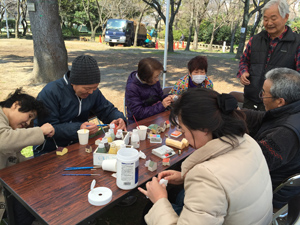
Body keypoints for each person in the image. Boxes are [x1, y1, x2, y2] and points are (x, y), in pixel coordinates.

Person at [138, 88, 273, 225]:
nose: (184, 136)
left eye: (184, 131)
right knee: (179, 195)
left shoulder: (207, 177)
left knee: (150, 211)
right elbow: (230, 182)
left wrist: (160, 200)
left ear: (204, 129)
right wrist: (185, 177)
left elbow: (214, 181)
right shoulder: (248, 141)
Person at [35, 55, 126, 156]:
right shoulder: (51, 92)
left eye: (95, 88)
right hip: (50, 151)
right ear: (73, 81)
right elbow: (49, 129)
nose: (91, 92)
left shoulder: (93, 92)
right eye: (87, 88)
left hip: (81, 146)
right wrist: (79, 128)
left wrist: (119, 119)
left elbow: (107, 109)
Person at [243, 67, 300, 209]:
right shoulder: (292, 109)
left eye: (264, 94)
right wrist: (234, 112)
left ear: (280, 101)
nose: (261, 96)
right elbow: (262, 118)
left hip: (269, 194)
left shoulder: (284, 133)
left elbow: (250, 165)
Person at [0, 88, 55, 225]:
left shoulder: (10, 127)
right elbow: (4, 141)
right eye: (29, 115)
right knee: (22, 202)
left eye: (32, 119)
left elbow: (17, 158)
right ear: (16, 105)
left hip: (5, 185)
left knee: (31, 192)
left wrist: (40, 165)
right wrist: (40, 131)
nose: (28, 122)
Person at [237, 0, 300, 111]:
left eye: (273, 18)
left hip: (279, 106)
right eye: (265, 19)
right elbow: (244, 61)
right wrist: (243, 72)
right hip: (251, 100)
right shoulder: (255, 40)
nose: (269, 23)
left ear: (285, 17)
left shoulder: (297, 43)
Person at [125, 57, 174, 124]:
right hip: (139, 124)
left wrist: (170, 98)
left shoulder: (153, 81)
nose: (157, 79)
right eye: (155, 77)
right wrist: (161, 105)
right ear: (145, 78)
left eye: (158, 76)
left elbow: (159, 96)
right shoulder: (132, 88)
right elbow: (139, 113)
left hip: (155, 117)